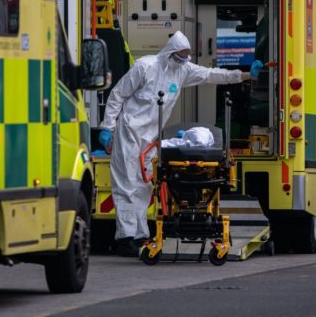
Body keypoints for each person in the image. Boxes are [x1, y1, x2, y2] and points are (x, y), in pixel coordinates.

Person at [98, 31, 255, 256]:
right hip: (129, 133)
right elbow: (117, 95)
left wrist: (245, 75)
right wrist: (108, 127)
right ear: (170, 53)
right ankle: (125, 238)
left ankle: (140, 235)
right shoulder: (145, 67)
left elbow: (212, 74)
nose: (183, 60)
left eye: (186, 56)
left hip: (150, 138)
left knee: (143, 187)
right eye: (180, 56)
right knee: (126, 185)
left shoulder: (183, 70)